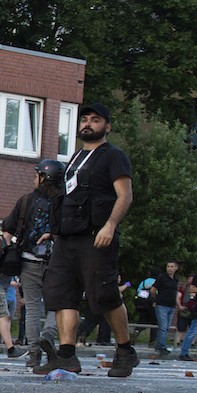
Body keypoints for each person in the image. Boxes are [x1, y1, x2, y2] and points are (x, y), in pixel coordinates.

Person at [35, 103, 140, 377]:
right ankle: (66, 356)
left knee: (104, 295)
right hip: (67, 238)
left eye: (95, 120)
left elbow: (125, 195)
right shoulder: (76, 157)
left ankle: (125, 351)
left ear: (107, 126)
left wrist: (110, 226)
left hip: (96, 236)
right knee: (60, 295)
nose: (88, 124)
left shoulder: (113, 156)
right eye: (84, 119)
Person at [1, 159, 63, 367]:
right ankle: (49, 334)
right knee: (58, 305)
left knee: (33, 307)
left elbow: (7, 228)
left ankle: (34, 353)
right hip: (58, 263)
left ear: (43, 177)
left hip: (28, 261)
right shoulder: (64, 202)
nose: (33, 178)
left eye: (36, 175)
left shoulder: (26, 200)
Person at [153, 260, 182, 355]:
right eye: (168, 266)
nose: (170, 268)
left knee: (166, 327)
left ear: (176, 268)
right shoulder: (162, 278)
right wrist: (156, 299)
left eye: (172, 266)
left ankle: (159, 344)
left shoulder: (175, 280)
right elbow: (153, 289)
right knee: (163, 326)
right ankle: (161, 346)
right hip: (161, 304)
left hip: (171, 305)